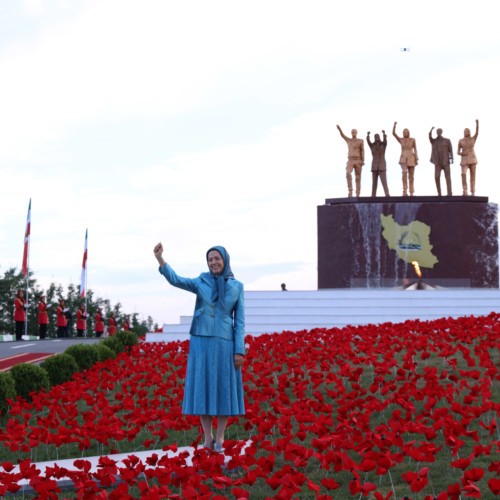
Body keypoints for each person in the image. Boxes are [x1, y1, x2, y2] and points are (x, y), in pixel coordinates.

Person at [154, 242, 245, 453]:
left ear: (225, 260)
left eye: (217, 258)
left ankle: (220, 437)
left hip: (225, 343)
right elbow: (177, 280)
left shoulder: (237, 286)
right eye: (210, 259)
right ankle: (208, 437)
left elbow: (239, 321)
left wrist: (238, 350)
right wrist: (161, 260)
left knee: (223, 389)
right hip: (200, 343)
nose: (213, 262)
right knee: (202, 388)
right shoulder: (201, 281)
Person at [336, 125, 364, 197]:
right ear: (351, 133)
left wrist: (362, 160)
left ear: (356, 133)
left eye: (354, 132)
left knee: (358, 177)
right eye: (352, 132)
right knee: (348, 173)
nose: (353, 133)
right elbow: (342, 135)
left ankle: (358, 192)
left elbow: (362, 150)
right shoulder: (349, 140)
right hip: (350, 160)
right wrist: (339, 129)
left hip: (358, 160)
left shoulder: (360, 141)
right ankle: (350, 190)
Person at [393, 122, 418, 196]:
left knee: (411, 175)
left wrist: (416, 158)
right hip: (403, 158)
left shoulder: (412, 139)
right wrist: (394, 126)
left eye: (406, 132)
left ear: (408, 133)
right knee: (404, 172)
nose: (405, 133)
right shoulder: (401, 140)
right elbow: (394, 134)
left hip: (411, 157)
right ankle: (404, 189)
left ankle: (411, 191)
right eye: (404, 132)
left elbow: (415, 149)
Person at [429, 127, 453, 196]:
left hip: (445, 161)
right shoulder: (434, 141)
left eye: (440, 131)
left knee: (448, 177)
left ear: (441, 132)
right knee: (436, 176)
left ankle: (449, 193)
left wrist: (451, 157)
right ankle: (439, 193)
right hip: (437, 162)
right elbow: (430, 137)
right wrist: (431, 131)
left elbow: (450, 149)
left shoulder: (447, 140)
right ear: (436, 133)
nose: (439, 132)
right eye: (437, 131)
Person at [457, 119, 479, 196]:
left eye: (467, 131)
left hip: (472, 159)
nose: (466, 132)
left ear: (469, 132)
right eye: (464, 131)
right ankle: (465, 190)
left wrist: (477, 124)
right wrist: (462, 153)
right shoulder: (461, 141)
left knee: (473, 176)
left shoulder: (473, 139)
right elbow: (458, 151)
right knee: (463, 173)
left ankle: (473, 191)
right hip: (464, 160)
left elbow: (477, 133)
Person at [366, 130, 390, 197]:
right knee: (374, 183)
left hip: (382, 165)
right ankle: (373, 195)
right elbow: (368, 142)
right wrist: (368, 136)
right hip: (374, 166)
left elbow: (385, 141)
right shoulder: (372, 146)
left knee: (384, 182)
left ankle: (387, 193)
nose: (376, 137)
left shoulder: (383, 145)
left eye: (377, 136)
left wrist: (384, 134)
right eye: (375, 136)